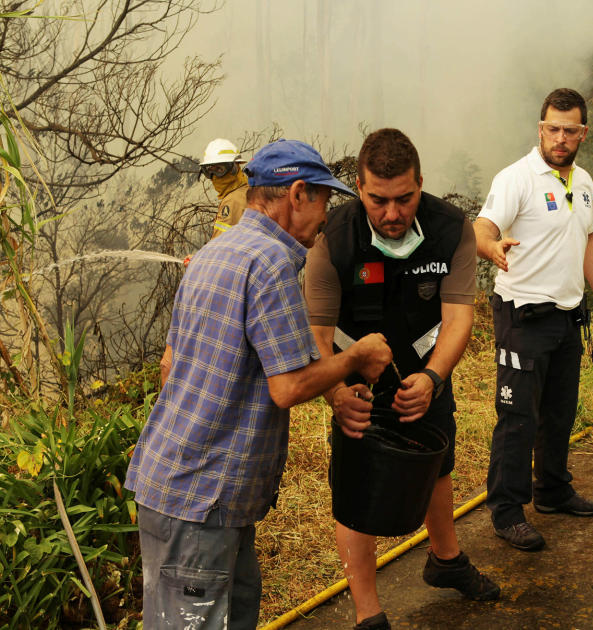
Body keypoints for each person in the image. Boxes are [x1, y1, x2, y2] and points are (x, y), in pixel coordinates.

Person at [125, 139, 393, 629]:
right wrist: (357, 355)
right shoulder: (271, 262)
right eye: (323, 202)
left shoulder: (215, 251)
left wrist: (331, 386)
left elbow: (169, 365)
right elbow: (287, 387)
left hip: (179, 488)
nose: (324, 217)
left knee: (232, 611)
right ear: (296, 194)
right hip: (202, 498)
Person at [303, 129, 499, 630]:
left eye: (405, 199)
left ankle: (446, 560)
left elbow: (458, 318)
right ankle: (369, 612)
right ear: (359, 188)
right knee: (355, 484)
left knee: (437, 459)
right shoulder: (334, 237)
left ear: (420, 186)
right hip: (353, 373)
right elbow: (317, 333)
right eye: (378, 200)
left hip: (425, 362)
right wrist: (337, 394)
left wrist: (433, 376)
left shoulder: (450, 226)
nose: (392, 214)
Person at [474, 88, 593, 552]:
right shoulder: (518, 178)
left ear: (582, 133)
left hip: (567, 315)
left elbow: (590, 241)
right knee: (517, 417)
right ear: (540, 129)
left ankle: (552, 491)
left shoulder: (582, 179)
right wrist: (491, 247)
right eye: (552, 128)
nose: (560, 137)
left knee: (559, 413)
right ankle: (507, 510)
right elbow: (482, 228)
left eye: (569, 130)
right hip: (522, 314)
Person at [199, 138, 250, 240]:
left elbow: (219, 247)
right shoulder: (247, 191)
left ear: (234, 168)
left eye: (219, 169)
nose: (215, 176)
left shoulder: (233, 201)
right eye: (209, 171)